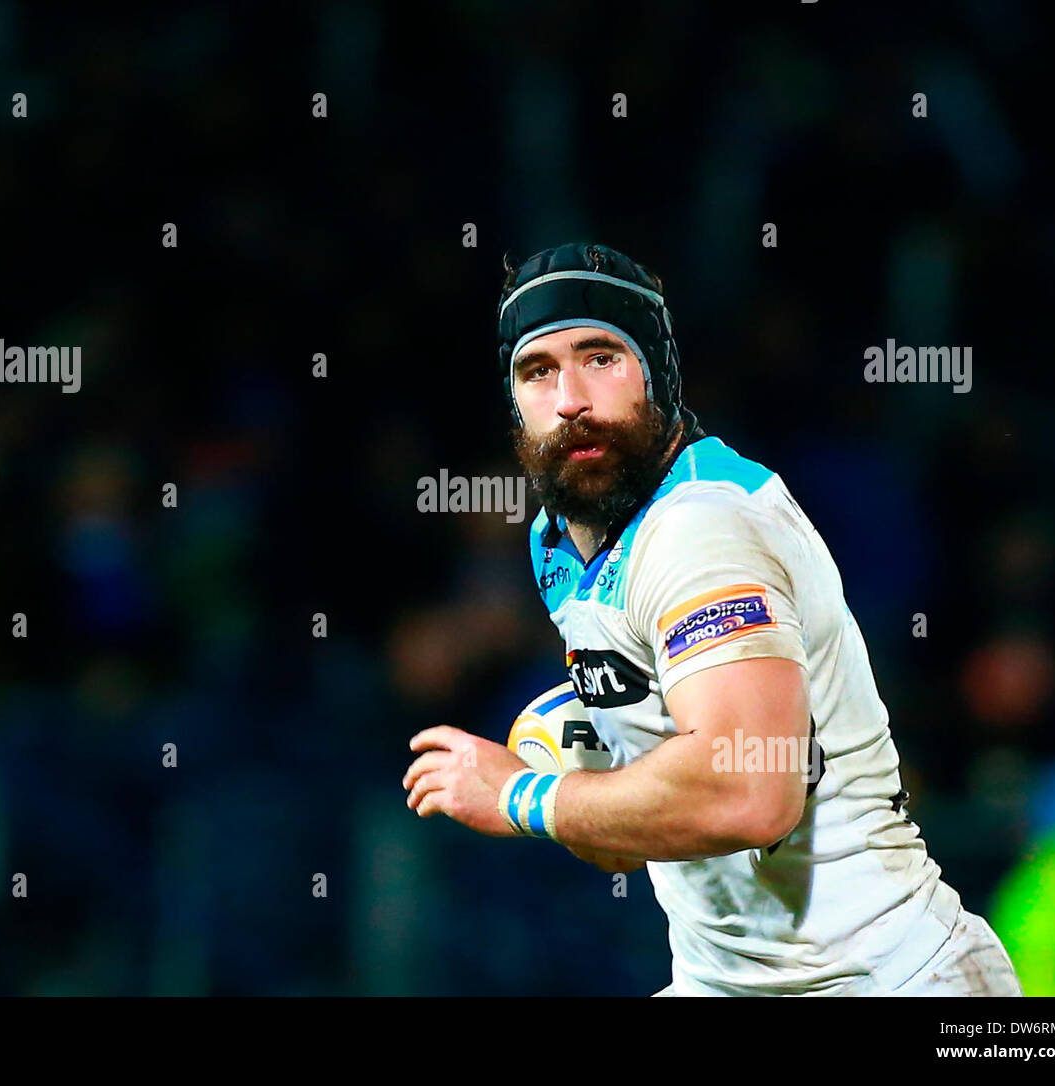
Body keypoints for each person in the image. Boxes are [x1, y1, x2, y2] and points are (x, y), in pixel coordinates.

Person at [401, 241, 1021, 996]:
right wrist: (591, 749)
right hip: (727, 980)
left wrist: (520, 796)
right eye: (539, 371)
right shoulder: (559, 541)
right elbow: (634, 841)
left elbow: (749, 791)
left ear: (658, 374)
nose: (570, 398)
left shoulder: (700, 526)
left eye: (601, 357)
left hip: (882, 976)